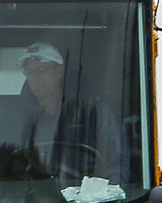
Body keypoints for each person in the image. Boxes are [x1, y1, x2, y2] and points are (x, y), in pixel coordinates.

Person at [15, 42, 125, 185]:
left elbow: (117, 163)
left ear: (59, 72)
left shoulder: (93, 113)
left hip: (84, 201)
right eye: (30, 72)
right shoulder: (25, 120)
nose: (35, 77)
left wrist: (108, 199)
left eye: (42, 69)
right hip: (38, 200)